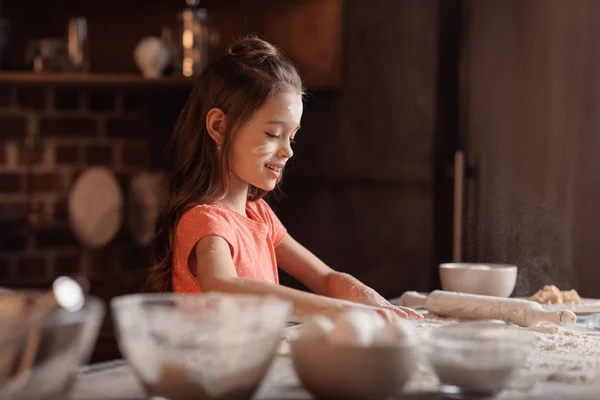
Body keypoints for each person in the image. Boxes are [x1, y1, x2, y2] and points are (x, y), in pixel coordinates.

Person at [146, 35, 422, 322]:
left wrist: (376, 304)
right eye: (273, 134)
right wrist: (342, 311)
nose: (288, 150)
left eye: (292, 137)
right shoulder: (205, 220)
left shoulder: (258, 214)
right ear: (219, 126)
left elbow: (326, 279)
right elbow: (223, 286)